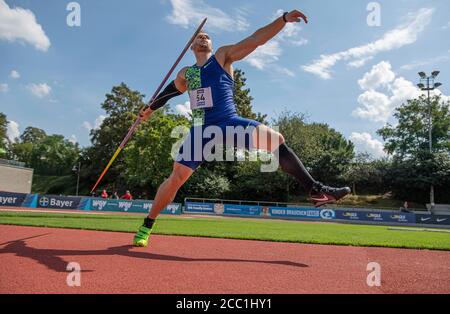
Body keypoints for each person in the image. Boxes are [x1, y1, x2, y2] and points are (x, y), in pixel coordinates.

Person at [133, 10, 351, 247]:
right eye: (199, 37)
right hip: (201, 129)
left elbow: (255, 40)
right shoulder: (187, 73)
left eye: (207, 36)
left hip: (229, 122)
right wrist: (150, 109)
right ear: (191, 46)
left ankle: (316, 190)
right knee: (176, 178)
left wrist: (283, 19)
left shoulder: (222, 57)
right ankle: (146, 226)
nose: (204, 37)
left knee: (276, 139)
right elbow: (171, 91)